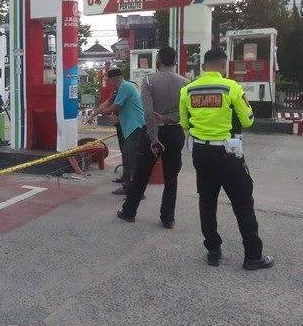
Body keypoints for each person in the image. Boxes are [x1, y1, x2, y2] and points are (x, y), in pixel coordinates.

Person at [179, 48, 273, 270]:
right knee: (243, 203)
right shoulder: (231, 87)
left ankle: (213, 250)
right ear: (224, 65)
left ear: (203, 67)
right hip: (227, 154)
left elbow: (184, 123)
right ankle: (253, 257)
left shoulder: (187, 90)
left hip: (201, 153)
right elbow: (248, 120)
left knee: (207, 201)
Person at [118, 47, 189, 228]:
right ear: (175, 61)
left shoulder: (149, 81)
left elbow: (148, 113)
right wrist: (167, 118)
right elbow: (185, 114)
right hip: (174, 133)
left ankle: (129, 212)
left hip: (152, 134)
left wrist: (153, 137)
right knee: (171, 177)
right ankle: (168, 218)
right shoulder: (185, 83)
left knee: (141, 174)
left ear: (158, 61)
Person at [103, 68, 145, 197]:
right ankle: (128, 185)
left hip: (135, 127)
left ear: (112, 80)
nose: (109, 84)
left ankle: (133, 190)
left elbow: (116, 106)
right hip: (131, 127)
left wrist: (105, 111)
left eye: (109, 81)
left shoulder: (125, 87)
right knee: (128, 158)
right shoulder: (126, 86)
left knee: (131, 159)